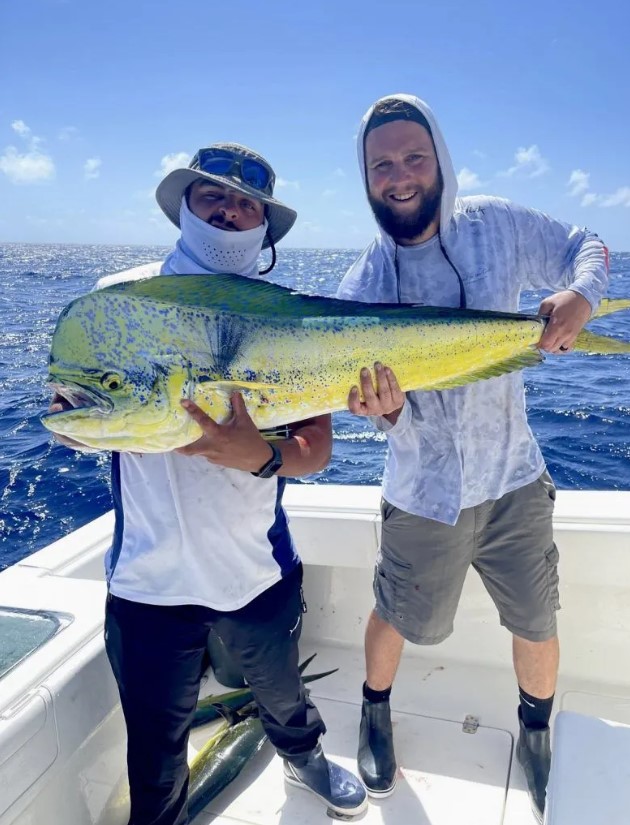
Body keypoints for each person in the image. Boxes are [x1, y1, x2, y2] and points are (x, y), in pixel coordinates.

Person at [50, 143, 367, 825]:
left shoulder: (290, 313)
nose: (229, 210)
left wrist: (259, 454)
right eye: (212, 195)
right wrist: (77, 423)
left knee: (284, 696)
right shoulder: (121, 298)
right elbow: (74, 407)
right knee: (153, 749)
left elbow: (314, 450)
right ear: (184, 206)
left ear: (265, 225)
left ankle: (304, 756)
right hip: (147, 583)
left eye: (247, 203)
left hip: (255, 569)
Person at [336, 95, 609, 823]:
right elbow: (377, 413)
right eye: (382, 165)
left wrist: (582, 296)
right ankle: (373, 708)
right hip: (422, 492)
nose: (400, 176)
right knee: (397, 612)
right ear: (365, 178)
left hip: (515, 476)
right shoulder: (362, 288)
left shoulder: (496, 224)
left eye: (414, 158)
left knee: (537, 619)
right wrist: (382, 408)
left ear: (441, 160)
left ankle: (536, 730)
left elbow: (587, 244)